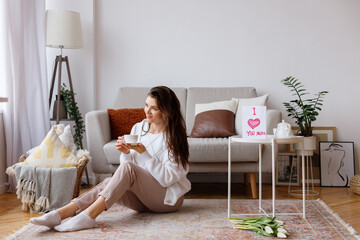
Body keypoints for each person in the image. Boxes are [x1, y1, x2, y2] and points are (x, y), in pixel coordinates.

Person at [30, 86, 191, 232]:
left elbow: (166, 179)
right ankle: (60, 214)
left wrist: (144, 153)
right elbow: (127, 172)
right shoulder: (139, 128)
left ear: (167, 111)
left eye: (154, 108)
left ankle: (89, 216)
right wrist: (126, 152)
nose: (147, 111)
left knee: (126, 171)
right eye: (146, 105)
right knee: (109, 183)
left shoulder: (174, 139)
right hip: (142, 200)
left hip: (167, 200)